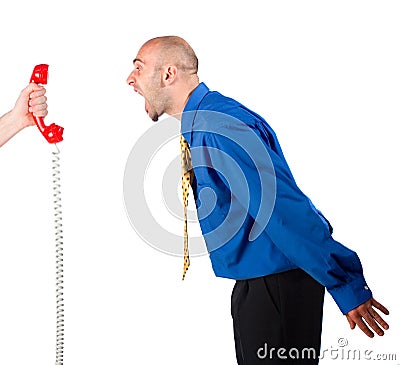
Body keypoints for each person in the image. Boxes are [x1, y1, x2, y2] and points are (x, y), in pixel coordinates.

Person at [126, 36, 389, 364]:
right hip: (265, 285)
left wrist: (344, 281)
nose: (130, 79)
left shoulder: (216, 125)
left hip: (277, 289)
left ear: (168, 75)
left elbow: (281, 210)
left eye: (138, 68)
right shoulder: (206, 120)